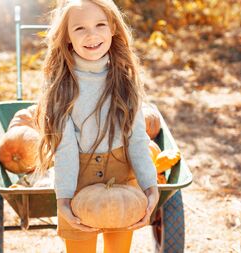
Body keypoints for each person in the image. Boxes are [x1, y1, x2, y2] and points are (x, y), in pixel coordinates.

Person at [34, 0, 159, 252]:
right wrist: (64, 197)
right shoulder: (62, 86)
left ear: (113, 27)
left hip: (122, 177)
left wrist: (150, 185)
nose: (92, 35)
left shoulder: (125, 80)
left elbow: (136, 139)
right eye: (79, 28)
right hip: (78, 176)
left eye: (100, 24)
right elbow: (65, 147)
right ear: (67, 37)